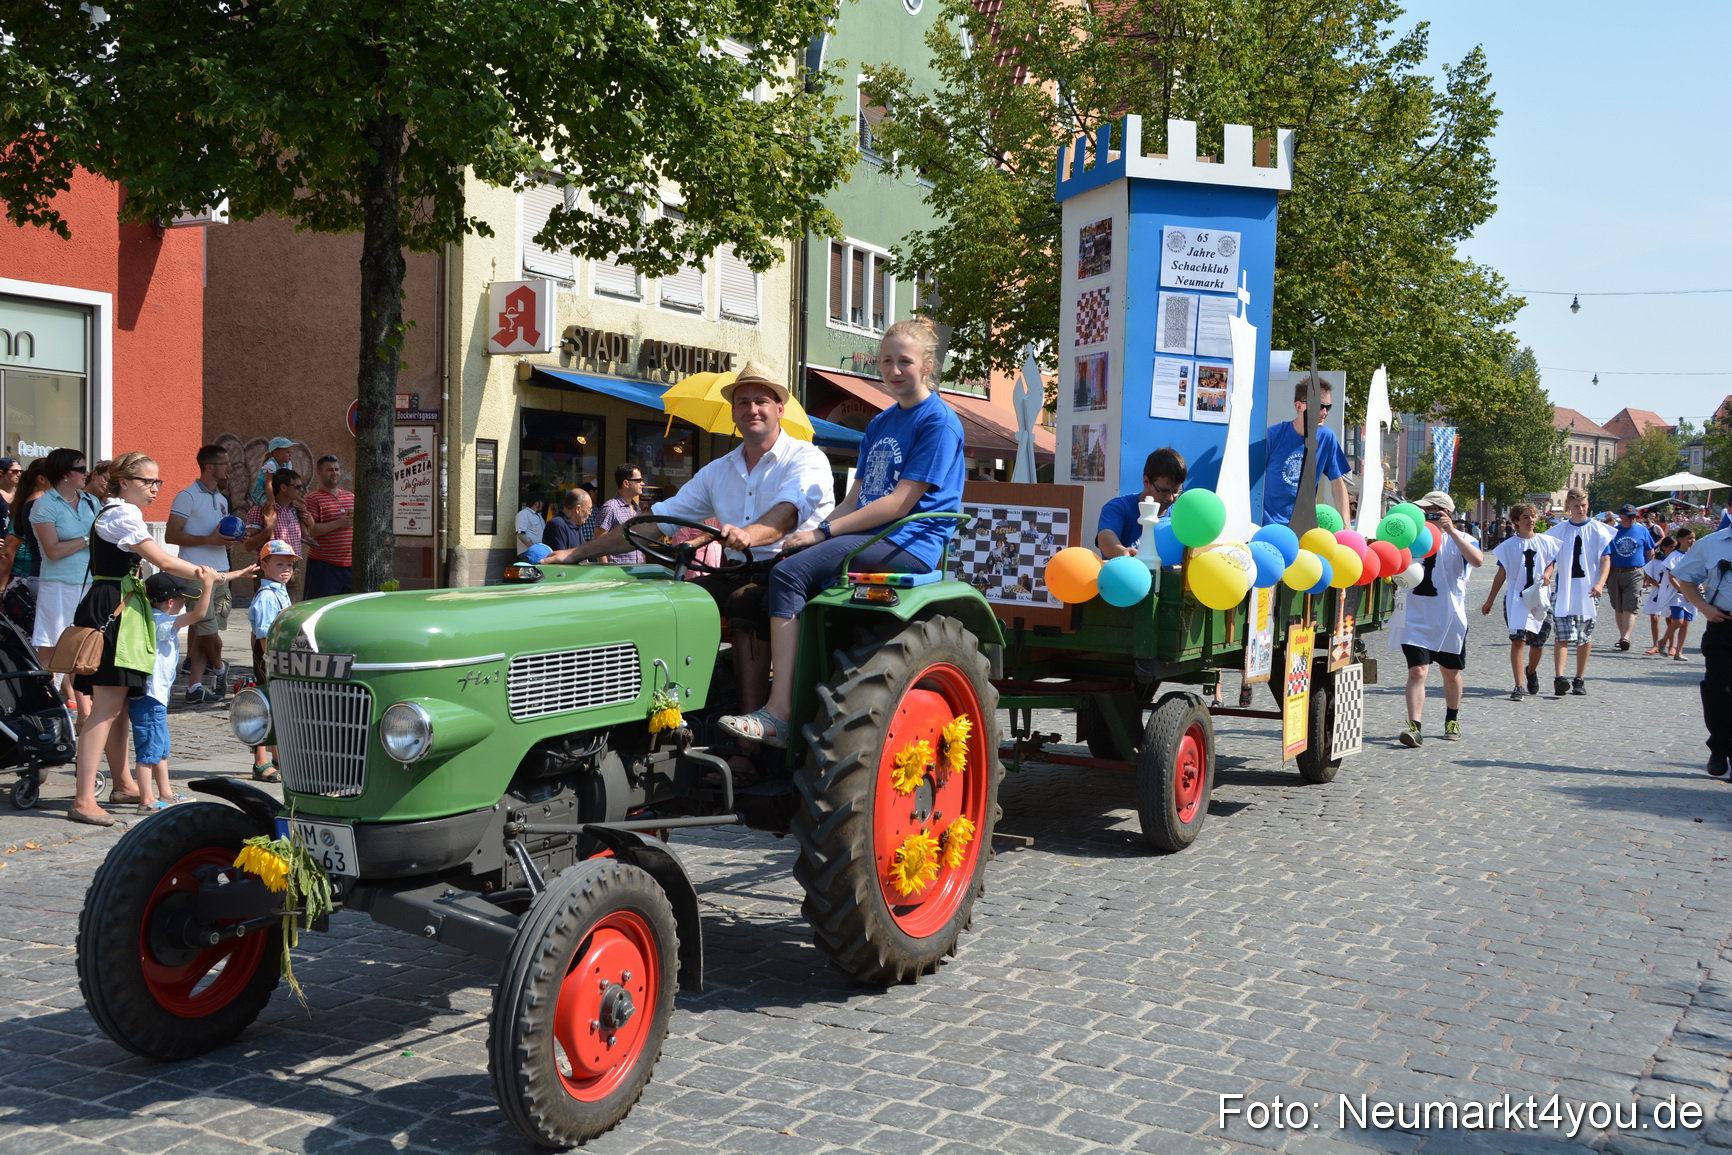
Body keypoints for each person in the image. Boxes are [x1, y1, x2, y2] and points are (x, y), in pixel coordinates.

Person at [719, 320, 965, 747]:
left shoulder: (938, 422)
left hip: (908, 540)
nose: (894, 370)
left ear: (927, 365)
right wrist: (813, 533)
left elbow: (898, 504)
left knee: (790, 574)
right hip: (871, 537)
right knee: (771, 572)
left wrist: (823, 534)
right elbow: (855, 499)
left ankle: (779, 713)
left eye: (905, 362)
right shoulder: (881, 423)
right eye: (886, 361)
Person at [546, 362, 833, 724]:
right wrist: (576, 553)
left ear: (779, 409)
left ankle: (755, 730)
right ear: (733, 412)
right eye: (743, 402)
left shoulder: (805, 458)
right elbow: (654, 522)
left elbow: (788, 514)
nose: (752, 409)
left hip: (794, 574)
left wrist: (749, 534)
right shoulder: (718, 471)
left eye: (761, 401)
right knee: (670, 600)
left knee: (746, 601)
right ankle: (657, 710)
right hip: (737, 569)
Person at [67, 454, 241, 826]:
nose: (155, 488)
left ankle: (122, 784)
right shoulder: (121, 514)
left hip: (122, 607)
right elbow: (163, 560)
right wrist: (210, 574)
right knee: (106, 707)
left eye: (157, 482)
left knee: (119, 707)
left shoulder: (121, 513)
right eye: (148, 481)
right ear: (124, 482)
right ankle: (83, 799)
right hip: (113, 608)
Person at [1388, 491, 1483, 746]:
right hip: (1415, 615)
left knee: (1450, 672)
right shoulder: (1411, 538)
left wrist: (1451, 531)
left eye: (1431, 512)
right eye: (1423, 512)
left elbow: (1478, 560)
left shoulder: (1463, 539)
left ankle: (1452, 719)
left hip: (1449, 618)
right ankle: (1414, 727)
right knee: (1417, 671)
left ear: (1445, 513)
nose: (1425, 516)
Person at [132, 571, 221, 813]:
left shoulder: (154, 617)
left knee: (160, 748)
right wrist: (208, 584)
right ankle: (146, 800)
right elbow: (199, 614)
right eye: (183, 599)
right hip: (150, 696)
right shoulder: (160, 621)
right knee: (148, 750)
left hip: (156, 696)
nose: (184, 603)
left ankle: (166, 793)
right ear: (171, 602)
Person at [167, 445, 240, 703]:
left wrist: (229, 540)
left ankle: (194, 688)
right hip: (195, 573)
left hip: (221, 572)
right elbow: (171, 535)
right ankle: (220, 668)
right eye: (225, 463)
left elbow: (218, 534)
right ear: (210, 467)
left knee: (201, 632)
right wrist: (207, 539)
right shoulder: (186, 496)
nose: (229, 468)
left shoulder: (222, 499)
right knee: (208, 631)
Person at [1668, 519, 1732, 778]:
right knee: (1717, 687)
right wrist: (1704, 608)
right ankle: (1719, 746)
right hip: (1723, 625)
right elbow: (1685, 578)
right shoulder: (1711, 544)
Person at [29, 448, 101, 678]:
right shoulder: (44, 504)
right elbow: (52, 551)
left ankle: (77, 694)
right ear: (64, 473)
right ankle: (49, 691)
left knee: (84, 643)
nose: (87, 473)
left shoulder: (91, 502)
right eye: (81, 469)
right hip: (58, 584)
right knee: (52, 643)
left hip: (90, 582)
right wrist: (88, 538)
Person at [1480, 503, 1559, 701]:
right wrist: (1490, 600)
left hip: (1539, 597)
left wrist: (1547, 574)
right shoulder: (1509, 547)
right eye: (1525, 517)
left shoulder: (1546, 542)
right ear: (1516, 521)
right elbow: (1501, 574)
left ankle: (1531, 671)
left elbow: (1550, 564)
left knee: (1538, 643)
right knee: (1518, 640)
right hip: (1517, 598)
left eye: (1533, 516)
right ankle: (1518, 685)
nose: (1530, 520)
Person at [1544, 488, 1615, 697]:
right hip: (1565, 589)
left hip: (1588, 590)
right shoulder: (1558, 531)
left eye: (1583, 505)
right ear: (1569, 506)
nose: (1580, 509)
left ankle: (1579, 678)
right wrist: (1547, 574)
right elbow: (1550, 559)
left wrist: (1601, 583)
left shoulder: (1599, 530)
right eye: (1576, 506)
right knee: (1562, 634)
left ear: (1588, 505)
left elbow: (1605, 559)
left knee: (1584, 636)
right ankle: (1559, 677)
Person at [1261, 375, 1351, 527]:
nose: (1325, 412)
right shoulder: (1273, 435)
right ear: (1299, 406)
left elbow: (1337, 484)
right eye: (1319, 406)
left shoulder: (1327, 438)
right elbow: (1250, 480)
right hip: (1269, 525)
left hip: (1303, 526)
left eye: (1328, 407)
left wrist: (1347, 526)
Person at [248, 539, 298, 783]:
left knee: (279, 708)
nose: (286, 569)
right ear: (264, 566)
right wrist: (272, 662)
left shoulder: (280, 591)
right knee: (266, 708)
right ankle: (260, 762)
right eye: (279, 564)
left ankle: (278, 758)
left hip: (280, 658)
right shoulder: (267, 596)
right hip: (269, 659)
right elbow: (264, 635)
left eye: (290, 565)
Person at [1096, 448, 1186, 558]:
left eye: (1176, 491)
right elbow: (1105, 536)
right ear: (1146, 481)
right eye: (1164, 491)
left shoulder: (1180, 515)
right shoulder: (1119, 507)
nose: (1170, 498)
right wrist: (1121, 551)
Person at [242, 468, 306, 597]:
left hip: (293, 568)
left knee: (291, 608)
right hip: (270, 568)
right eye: (297, 486)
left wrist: (309, 521)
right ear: (283, 488)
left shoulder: (295, 510)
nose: (301, 490)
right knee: (269, 606)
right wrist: (268, 529)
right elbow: (248, 545)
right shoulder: (260, 510)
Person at [303, 455, 356, 599]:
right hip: (323, 566)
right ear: (319, 473)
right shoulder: (312, 499)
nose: (334, 473)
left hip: (350, 565)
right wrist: (339, 523)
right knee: (319, 606)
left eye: (337, 469)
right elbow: (310, 531)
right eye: (329, 470)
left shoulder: (351, 497)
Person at [1606, 504, 1656, 650]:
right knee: (1618, 607)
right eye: (1629, 517)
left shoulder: (1642, 530)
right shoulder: (1613, 532)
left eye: (1634, 516)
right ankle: (1622, 635)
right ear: (1621, 516)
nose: (1632, 519)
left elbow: (1650, 551)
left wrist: (1649, 572)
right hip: (1614, 572)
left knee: (1631, 606)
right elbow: (1605, 554)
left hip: (1635, 572)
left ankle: (1625, 637)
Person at [593, 465, 647, 564]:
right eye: (638, 480)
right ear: (626, 483)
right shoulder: (610, 508)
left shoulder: (637, 509)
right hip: (617, 570)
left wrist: (643, 565)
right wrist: (607, 569)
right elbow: (598, 543)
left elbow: (640, 542)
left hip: (637, 570)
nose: (642, 483)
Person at [1661, 528, 1698, 661]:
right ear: (1680, 539)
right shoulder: (1674, 556)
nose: (1692, 541)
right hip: (1677, 593)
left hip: (1691, 593)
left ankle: (1679, 652)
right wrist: (1683, 591)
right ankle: (1663, 640)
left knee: (1686, 623)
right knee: (1678, 621)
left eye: (1693, 538)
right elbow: (1672, 577)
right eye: (1689, 538)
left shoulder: (1694, 555)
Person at [1642, 535, 1677, 654]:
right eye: (1671, 546)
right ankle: (1655, 645)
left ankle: (1671, 646)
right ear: (1664, 547)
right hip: (1657, 591)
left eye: (1675, 547)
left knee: (1670, 618)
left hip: (1670, 591)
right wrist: (1658, 585)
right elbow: (1650, 578)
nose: (1673, 549)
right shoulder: (1656, 561)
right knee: (1654, 617)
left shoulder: (1676, 560)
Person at [542, 488, 594, 553]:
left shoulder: (576, 526)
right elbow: (560, 557)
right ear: (578, 509)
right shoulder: (557, 525)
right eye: (589, 509)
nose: (590, 513)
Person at [248, 436, 295, 508]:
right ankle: (269, 515)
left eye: (291, 452)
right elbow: (268, 484)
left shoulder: (288, 464)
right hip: (263, 491)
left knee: (299, 505)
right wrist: (272, 499)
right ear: (276, 453)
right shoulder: (271, 464)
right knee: (270, 506)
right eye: (287, 452)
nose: (290, 455)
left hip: (275, 490)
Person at [514, 490, 547, 554]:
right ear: (536, 503)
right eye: (541, 501)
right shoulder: (523, 514)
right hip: (528, 553)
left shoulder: (538, 515)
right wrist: (534, 548)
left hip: (540, 552)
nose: (543, 503)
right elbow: (521, 534)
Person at [0, 456, 18, 531]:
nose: (19, 474)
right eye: (15, 471)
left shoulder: (20, 494)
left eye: (21, 471)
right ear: (2, 473)